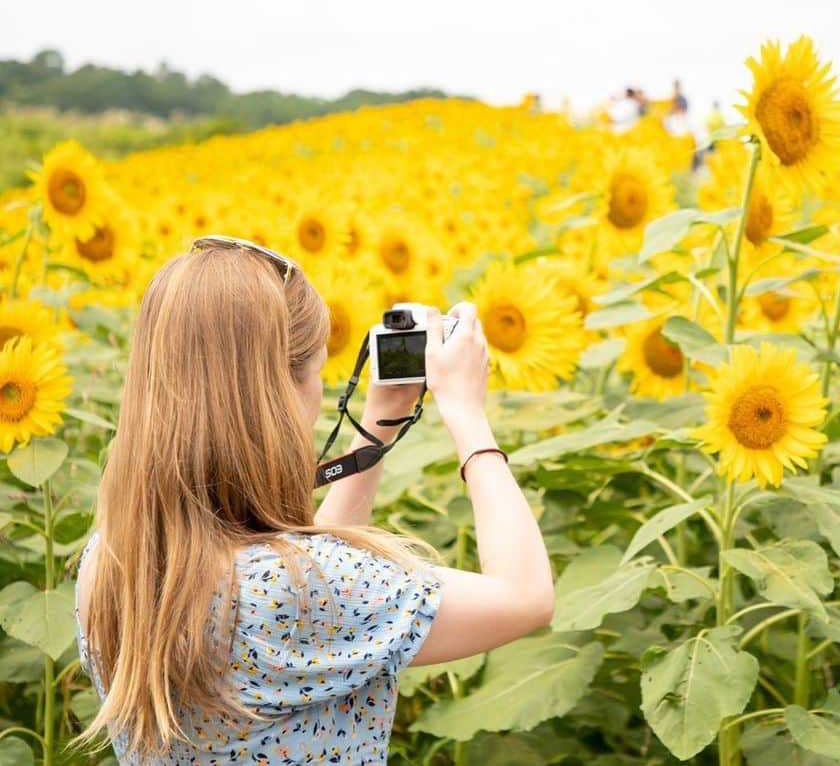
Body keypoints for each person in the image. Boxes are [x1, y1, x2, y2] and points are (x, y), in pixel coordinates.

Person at [70, 237, 555, 763]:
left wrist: (379, 423)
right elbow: (525, 597)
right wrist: (467, 413)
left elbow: (305, 584)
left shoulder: (114, 559)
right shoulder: (295, 593)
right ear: (279, 393)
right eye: (318, 371)